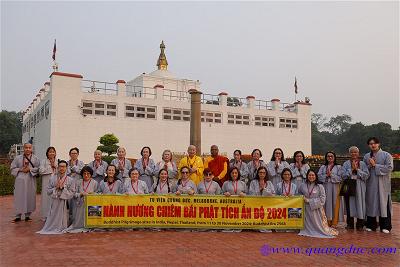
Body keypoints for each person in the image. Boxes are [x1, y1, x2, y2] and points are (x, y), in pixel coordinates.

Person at [363, 137, 393, 234]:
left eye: (374, 143)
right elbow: (364, 170)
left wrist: (376, 165)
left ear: (378, 144)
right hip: (371, 184)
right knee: (371, 203)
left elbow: (389, 168)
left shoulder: (386, 155)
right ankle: (371, 225)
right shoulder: (367, 156)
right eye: (370, 143)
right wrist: (370, 165)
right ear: (368, 145)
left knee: (384, 204)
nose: (373, 145)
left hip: (383, 184)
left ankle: (386, 226)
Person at [37, 160, 75, 234]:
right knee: (53, 216)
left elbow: (72, 193)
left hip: (64, 202)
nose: (62, 168)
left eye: (64, 167)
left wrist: (63, 188)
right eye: (60, 166)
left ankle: (62, 226)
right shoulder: (52, 178)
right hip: (54, 201)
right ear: (58, 168)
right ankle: (52, 226)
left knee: (64, 217)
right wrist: (56, 188)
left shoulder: (71, 180)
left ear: (66, 168)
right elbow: (48, 191)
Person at [298, 169, 338, 238]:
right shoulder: (302, 185)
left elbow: (322, 199)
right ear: (307, 176)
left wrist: (309, 201)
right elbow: (299, 195)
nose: (311, 177)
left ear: (316, 176)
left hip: (316, 210)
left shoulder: (320, 186)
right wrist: (302, 197)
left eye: (313, 175)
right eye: (309, 175)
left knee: (319, 226)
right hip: (306, 210)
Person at [11, 143, 40, 223]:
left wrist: (30, 169)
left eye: (29, 147)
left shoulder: (36, 158)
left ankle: (28, 215)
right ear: (23, 148)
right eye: (26, 147)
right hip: (20, 180)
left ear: (32, 149)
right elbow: (12, 168)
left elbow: (38, 169)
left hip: (30, 179)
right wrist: (21, 169)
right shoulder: (17, 158)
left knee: (29, 196)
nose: (28, 149)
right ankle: (18, 216)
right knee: (19, 197)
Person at [342, 146, 369, 230]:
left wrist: (357, 170)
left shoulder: (363, 164)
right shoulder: (346, 163)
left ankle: (360, 224)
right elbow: (343, 175)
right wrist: (351, 170)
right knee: (349, 204)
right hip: (349, 185)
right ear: (349, 153)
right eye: (352, 152)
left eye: (355, 152)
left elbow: (367, 175)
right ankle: (350, 224)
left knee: (360, 204)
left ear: (358, 153)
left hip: (360, 185)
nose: (354, 154)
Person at [66, 166, 98, 232]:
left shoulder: (95, 183)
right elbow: (73, 194)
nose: (86, 175)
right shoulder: (78, 182)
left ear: (91, 174)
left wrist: (92, 194)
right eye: (84, 173)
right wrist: (81, 194)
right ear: (82, 174)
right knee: (78, 221)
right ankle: (78, 225)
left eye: (88, 173)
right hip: (79, 205)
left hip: (91, 205)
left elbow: (98, 194)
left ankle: (90, 226)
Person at [318, 151, 343, 227]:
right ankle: (326, 221)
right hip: (326, 186)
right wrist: (326, 175)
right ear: (326, 158)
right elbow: (318, 176)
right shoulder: (323, 167)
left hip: (335, 187)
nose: (330, 157)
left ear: (334, 157)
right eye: (328, 156)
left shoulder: (338, 167)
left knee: (335, 203)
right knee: (326, 203)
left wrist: (331, 175)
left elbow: (341, 178)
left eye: (331, 156)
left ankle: (335, 222)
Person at [38, 146, 58, 220]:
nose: (52, 153)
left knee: (55, 197)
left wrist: (55, 166)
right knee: (46, 198)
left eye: (53, 151)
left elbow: (61, 171)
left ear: (55, 153)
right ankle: (46, 215)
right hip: (46, 181)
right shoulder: (43, 161)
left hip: (56, 181)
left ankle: (54, 215)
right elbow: (41, 171)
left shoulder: (58, 161)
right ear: (47, 153)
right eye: (50, 152)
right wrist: (50, 167)